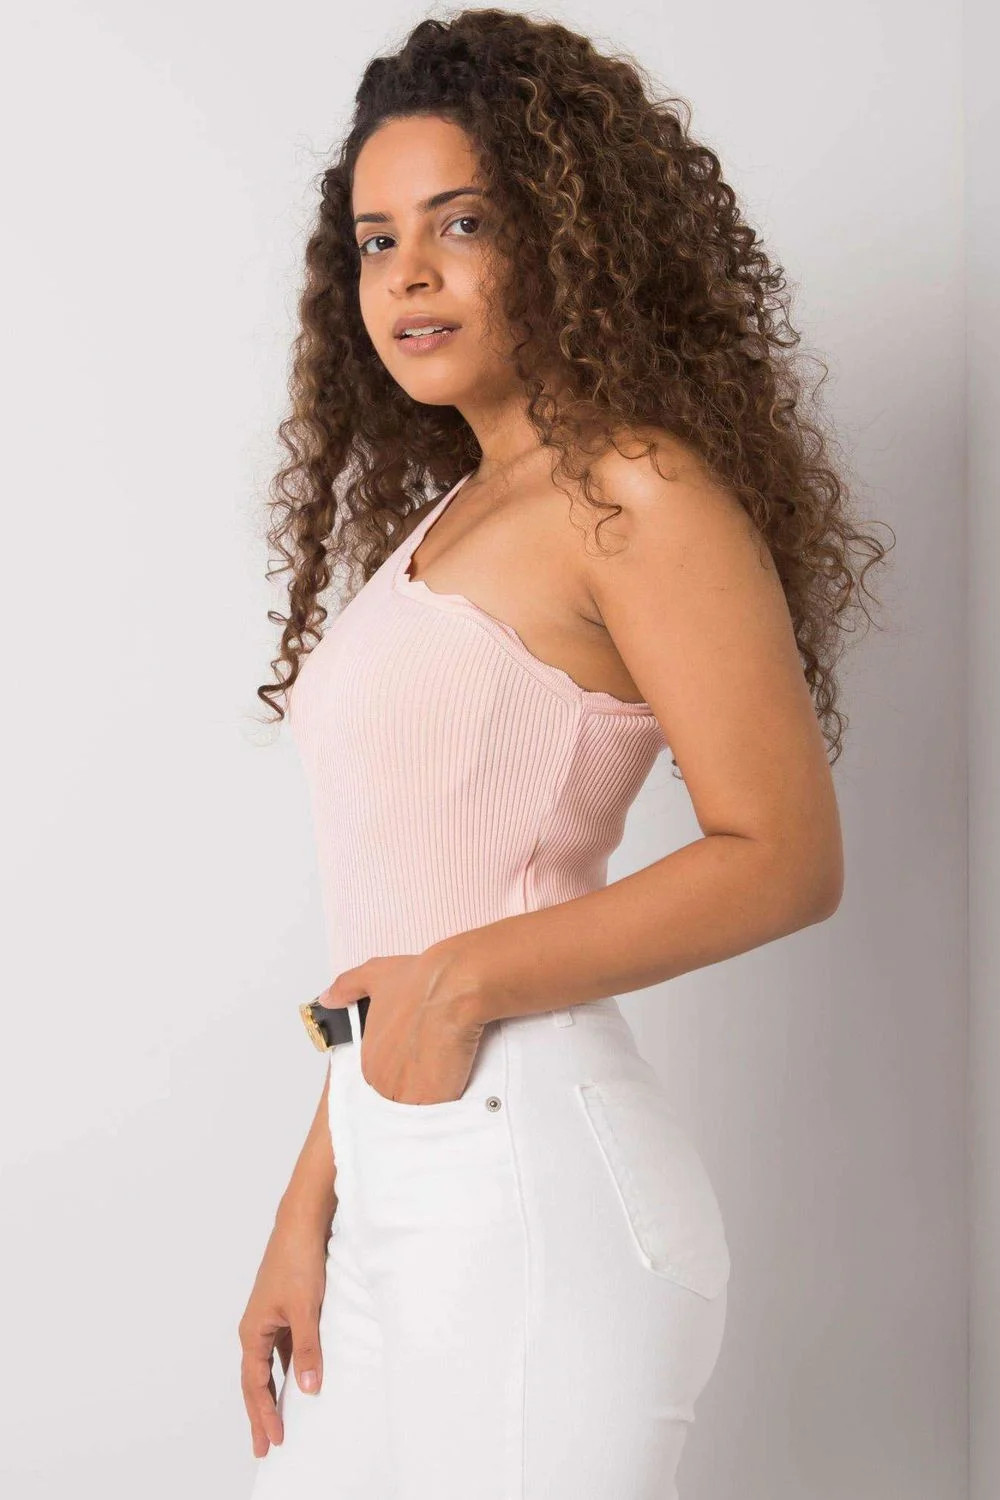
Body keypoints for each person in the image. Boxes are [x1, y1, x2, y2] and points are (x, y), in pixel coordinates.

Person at [239, 10, 889, 1497]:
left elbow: (785, 856)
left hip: (530, 1187)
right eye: (376, 239)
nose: (408, 273)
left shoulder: (632, 490)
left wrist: (460, 984)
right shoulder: (451, 517)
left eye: (461, 223)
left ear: (566, 235)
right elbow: (403, 907)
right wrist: (311, 1200)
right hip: (399, 1172)